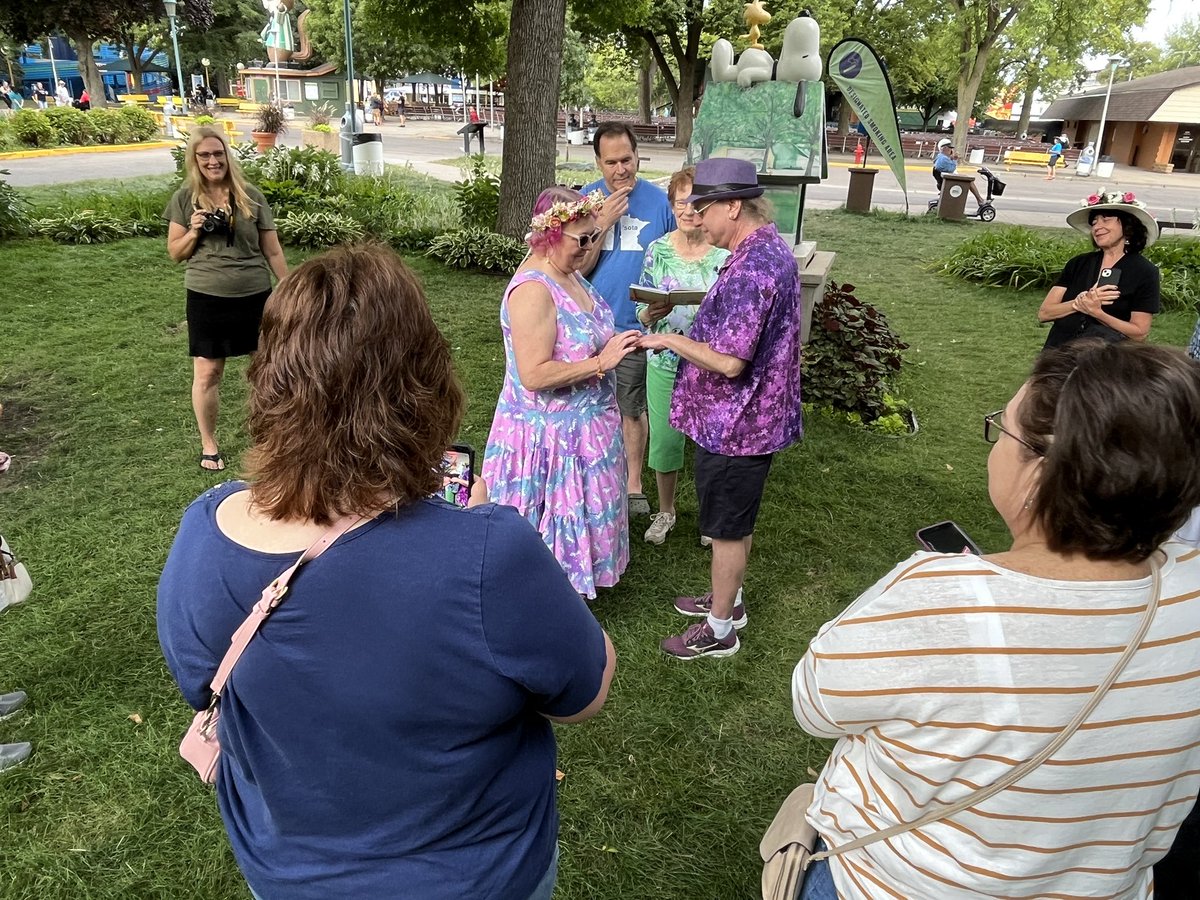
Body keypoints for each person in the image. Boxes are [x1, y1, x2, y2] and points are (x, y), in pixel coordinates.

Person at [158, 244, 616, 900]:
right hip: (474, 879)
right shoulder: (489, 555)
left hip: (287, 873)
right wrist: (478, 537)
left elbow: (201, 688)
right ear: (421, 383)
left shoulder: (205, 531)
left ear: (272, 380)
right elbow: (586, 691)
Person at [792, 340, 1200, 900]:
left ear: (1041, 472)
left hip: (897, 884)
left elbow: (813, 702)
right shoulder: (1190, 583)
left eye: (1001, 429)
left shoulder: (936, 600)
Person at [643, 158, 803, 659]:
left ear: (733, 206)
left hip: (739, 424)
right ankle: (726, 601)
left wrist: (668, 338)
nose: (696, 218)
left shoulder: (753, 266)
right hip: (741, 420)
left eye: (703, 208)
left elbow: (731, 363)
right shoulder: (765, 248)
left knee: (729, 527)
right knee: (731, 520)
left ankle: (719, 630)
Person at [483, 187, 640, 599]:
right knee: (549, 524)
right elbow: (532, 375)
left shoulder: (567, 272)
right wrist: (601, 363)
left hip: (586, 429)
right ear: (549, 236)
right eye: (583, 239)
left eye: (593, 235)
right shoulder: (533, 290)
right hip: (549, 441)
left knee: (584, 516)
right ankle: (548, 598)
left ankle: (575, 581)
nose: (590, 247)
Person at [165, 125, 288, 472]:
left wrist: (291, 288)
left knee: (268, 370)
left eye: (218, 154)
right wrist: (194, 229)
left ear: (227, 156)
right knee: (208, 373)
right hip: (207, 295)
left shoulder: (251, 196)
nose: (212, 161)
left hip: (254, 294)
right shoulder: (184, 198)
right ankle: (209, 443)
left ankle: (273, 437)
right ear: (194, 159)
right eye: (204, 155)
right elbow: (175, 253)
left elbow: (273, 250)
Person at [579, 123, 675, 519]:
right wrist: (601, 221)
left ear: (638, 157)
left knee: (630, 406)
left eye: (627, 160)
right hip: (589, 325)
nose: (621, 169)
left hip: (636, 326)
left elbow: (675, 257)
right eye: (611, 162)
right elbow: (577, 269)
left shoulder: (659, 203)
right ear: (598, 162)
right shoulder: (583, 201)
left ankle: (633, 485)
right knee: (587, 405)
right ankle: (593, 475)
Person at [634, 166, 728, 546]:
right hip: (663, 361)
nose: (688, 210)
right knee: (665, 440)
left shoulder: (724, 254)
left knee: (710, 443)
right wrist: (648, 313)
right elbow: (641, 311)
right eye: (680, 203)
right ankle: (666, 511)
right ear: (672, 206)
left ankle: (711, 518)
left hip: (708, 363)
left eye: (695, 202)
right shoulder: (657, 250)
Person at [1038, 191, 1160, 350]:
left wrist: (1097, 312)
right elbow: (1045, 313)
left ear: (1127, 226)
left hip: (1103, 363)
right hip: (1058, 355)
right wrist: (1080, 302)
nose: (1097, 226)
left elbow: (1139, 333)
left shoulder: (1144, 271)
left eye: (1106, 219)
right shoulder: (1079, 263)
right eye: (1094, 222)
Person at [932, 138, 985, 207]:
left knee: (967, 178)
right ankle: (980, 200)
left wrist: (952, 158)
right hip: (949, 183)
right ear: (943, 148)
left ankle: (980, 200)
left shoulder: (941, 157)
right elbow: (951, 169)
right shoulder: (943, 159)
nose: (951, 150)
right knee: (969, 181)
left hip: (947, 181)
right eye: (949, 148)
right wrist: (954, 159)